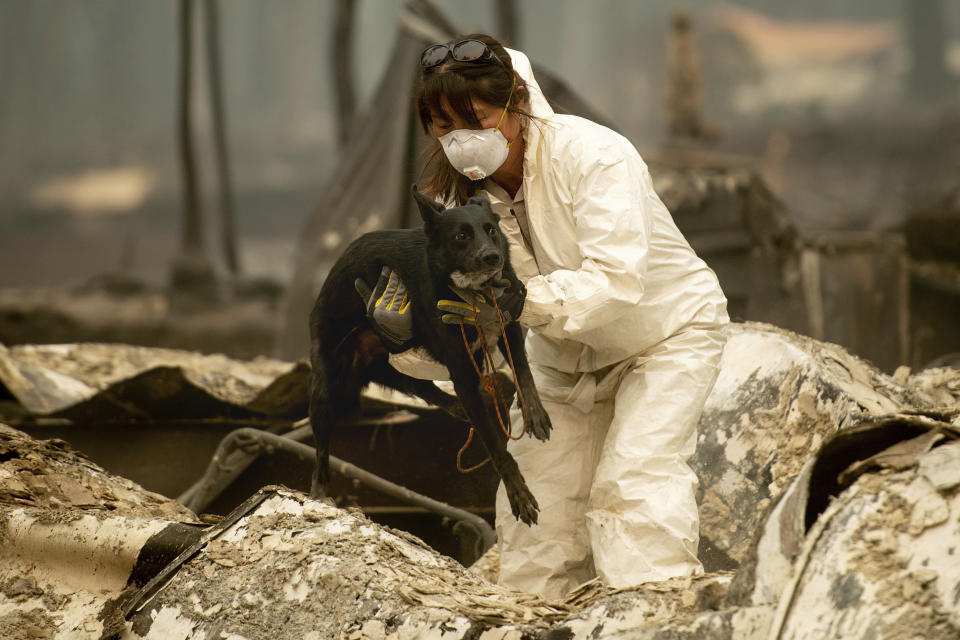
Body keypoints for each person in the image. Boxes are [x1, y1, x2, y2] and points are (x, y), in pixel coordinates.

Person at [360, 34, 729, 600]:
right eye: (442, 125)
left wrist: (521, 302)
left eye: (476, 118)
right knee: (539, 511)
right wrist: (409, 342)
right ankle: (537, 625)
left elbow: (617, 280)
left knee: (634, 486)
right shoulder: (459, 204)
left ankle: (651, 622)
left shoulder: (594, 155)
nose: (460, 139)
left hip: (664, 335)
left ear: (516, 105)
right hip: (561, 358)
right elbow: (474, 338)